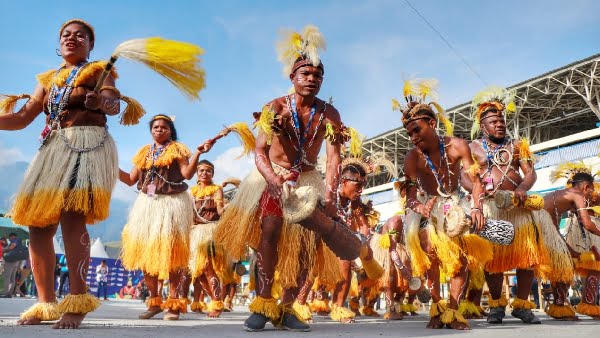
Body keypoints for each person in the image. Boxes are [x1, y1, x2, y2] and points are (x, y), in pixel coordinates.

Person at [214, 25, 378, 332]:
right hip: (273, 177)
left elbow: (333, 159)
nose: (312, 80)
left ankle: (287, 308)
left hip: (308, 179)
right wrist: (274, 182)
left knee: (305, 244)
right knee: (270, 229)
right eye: (306, 74)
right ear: (293, 77)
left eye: (318, 76)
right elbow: (260, 151)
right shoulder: (274, 107)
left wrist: (330, 198)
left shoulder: (330, 113)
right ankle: (263, 303)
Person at [0, 19, 126, 329]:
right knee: (38, 225)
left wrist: (102, 101)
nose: (72, 38)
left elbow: (114, 106)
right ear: (59, 43)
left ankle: (78, 299)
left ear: (90, 45)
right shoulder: (47, 79)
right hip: (54, 149)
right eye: (66, 35)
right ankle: (45, 304)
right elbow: (23, 117)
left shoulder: (99, 71)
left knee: (73, 216)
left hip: (87, 144)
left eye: (80, 35)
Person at [397, 78, 491, 330]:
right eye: (409, 134)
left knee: (460, 261)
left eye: (417, 130)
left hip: (454, 203)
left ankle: (453, 312)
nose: (413, 137)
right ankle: (437, 311)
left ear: (432, 123)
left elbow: (475, 180)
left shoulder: (458, 146)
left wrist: (477, 207)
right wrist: (420, 207)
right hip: (427, 206)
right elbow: (409, 196)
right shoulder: (412, 159)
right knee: (431, 259)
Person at [465, 86, 548, 325]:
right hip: (491, 208)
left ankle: (522, 305)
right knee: (493, 259)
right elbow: (464, 176)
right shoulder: (473, 148)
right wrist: (476, 189)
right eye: (493, 121)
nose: (499, 124)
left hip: (518, 208)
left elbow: (530, 174)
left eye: (501, 120)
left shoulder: (518, 145)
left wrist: (522, 188)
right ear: (483, 126)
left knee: (526, 257)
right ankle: (496, 306)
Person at [119, 114, 214, 321]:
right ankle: (154, 302)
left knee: (173, 255)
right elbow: (129, 180)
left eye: (163, 127)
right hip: (147, 204)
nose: (159, 130)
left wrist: (198, 152)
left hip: (172, 204)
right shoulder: (144, 152)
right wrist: (109, 165)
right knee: (146, 254)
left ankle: (173, 304)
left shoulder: (178, 149)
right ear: (151, 130)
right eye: (155, 127)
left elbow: (188, 174)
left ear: (170, 130)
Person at [554, 165, 600, 319]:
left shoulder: (594, 192)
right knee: (568, 265)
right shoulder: (573, 193)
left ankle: (588, 305)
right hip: (577, 229)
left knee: (594, 266)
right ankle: (559, 306)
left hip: (591, 228)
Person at [183, 159, 226, 318]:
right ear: (196, 173)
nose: (204, 173)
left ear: (212, 174)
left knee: (208, 267)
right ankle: (216, 300)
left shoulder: (217, 189)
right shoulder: (191, 191)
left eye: (208, 171)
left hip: (210, 232)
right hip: (194, 233)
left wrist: (229, 208)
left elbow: (220, 211)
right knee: (198, 272)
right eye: (201, 170)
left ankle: (217, 303)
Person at [1, 233, 21, 297]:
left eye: (9, 238)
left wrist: (3, 250)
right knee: (12, 278)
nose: (9, 239)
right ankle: (9, 293)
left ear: (11, 237)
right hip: (16, 262)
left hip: (10, 262)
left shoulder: (15, 240)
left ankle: (5, 293)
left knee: (7, 277)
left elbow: (12, 247)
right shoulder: (19, 242)